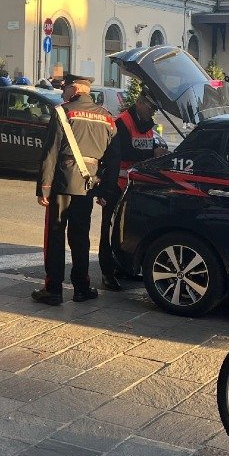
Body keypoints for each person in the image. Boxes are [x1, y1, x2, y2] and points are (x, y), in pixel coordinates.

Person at [33, 74, 116, 305]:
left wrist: (44, 188)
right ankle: (81, 287)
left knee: (56, 236)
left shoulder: (63, 112)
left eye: (65, 88)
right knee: (80, 237)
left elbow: (50, 152)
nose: (62, 93)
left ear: (75, 89)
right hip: (89, 185)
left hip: (62, 182)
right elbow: (113, 158)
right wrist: (105, 190)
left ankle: (54, 289)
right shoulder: (108, 118)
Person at [97, 92, 166, 289]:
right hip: (115, 185)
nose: (151, 113)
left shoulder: (148, 127)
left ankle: (123, 267)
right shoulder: (121, 123)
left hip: (134, 187)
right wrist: (152, 153)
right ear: (139, 103)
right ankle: (107, 272)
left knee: (125, 232)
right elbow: (122, 152)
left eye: (154, 110)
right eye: (150, 108)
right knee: (108, 230)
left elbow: (147, 148)